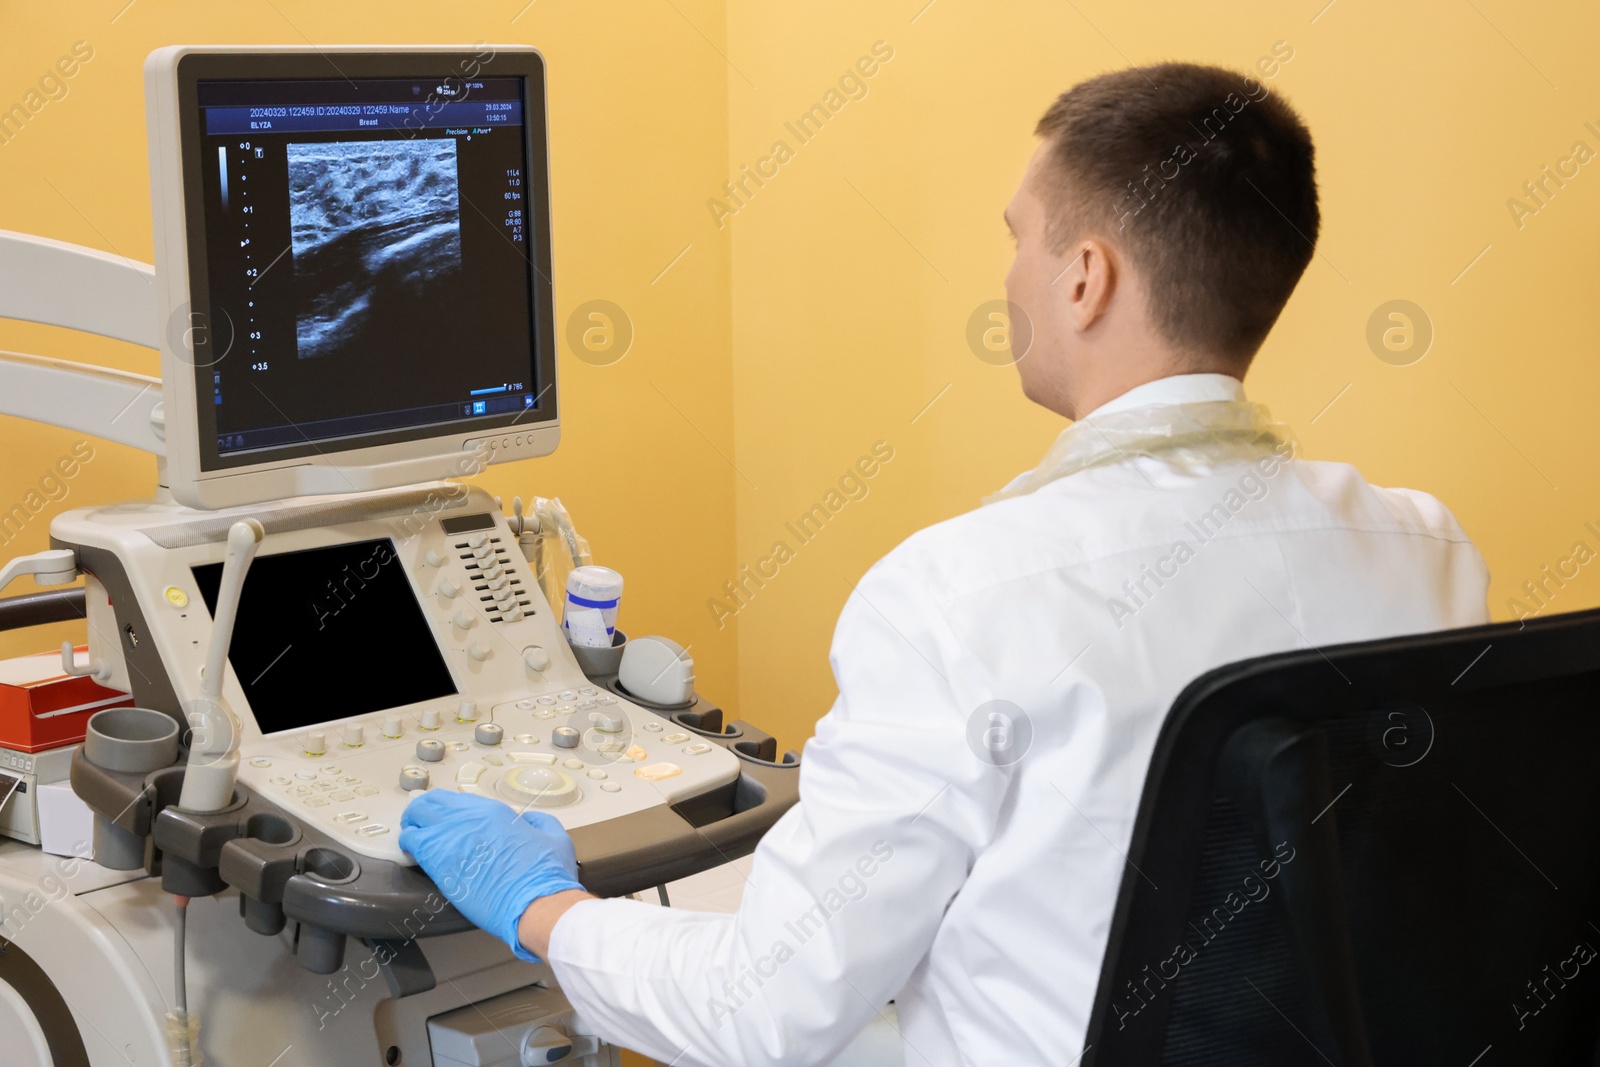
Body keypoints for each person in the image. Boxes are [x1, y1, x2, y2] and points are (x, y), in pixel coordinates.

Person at [399, 62, 1490, 1065]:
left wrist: (539, 903)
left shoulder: (961, 594)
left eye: (1019, 236)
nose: (1008, 271)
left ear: (1083, 281)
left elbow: (761, 1009)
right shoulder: (1429, 551)